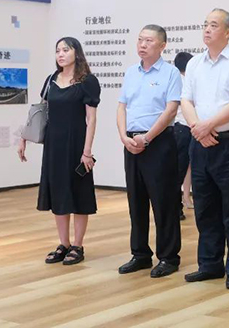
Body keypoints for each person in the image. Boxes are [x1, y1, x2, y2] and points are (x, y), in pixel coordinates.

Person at [181, 8, 229, 290]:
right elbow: (186, 100)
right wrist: (197, 128)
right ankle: (209, 264)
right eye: (205, 24)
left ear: (228, 32)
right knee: (205, 207)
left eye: (213, 25)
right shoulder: (194, 64)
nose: (207, 29)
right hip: (200, 142)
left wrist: (208, 125)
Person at [17, 37, 100, 266]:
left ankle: (78, 245)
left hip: (77, 144)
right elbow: (39, 111)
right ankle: (63, 244)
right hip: (54, 145)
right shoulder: (51, 79)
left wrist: (87, 151)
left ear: (76, 53)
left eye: (65, 50)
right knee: (59, 193)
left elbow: (91, 119)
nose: (60, 54)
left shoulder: (87, 81)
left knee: (79, 194)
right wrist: (24, 137)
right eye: (57, 51)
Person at [116, 25, 183, 278]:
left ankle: (168, 257)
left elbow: (171, 109)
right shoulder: (131, 72)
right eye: (140, 40)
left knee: (164, 201)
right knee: (136, 200)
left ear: (162, 46)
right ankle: (140, 254)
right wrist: (124, 137)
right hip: (131, 142)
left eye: (149, 41)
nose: (142, 45)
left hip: (159, 142)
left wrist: (147, 137)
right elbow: (122, 107)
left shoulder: (170, 73)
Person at [173, 51, 194, 220]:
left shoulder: (177, 80)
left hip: (179, 128)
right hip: (184, 128)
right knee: (179, 170)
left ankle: (177, 206)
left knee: (178, 170)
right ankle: (175, 208)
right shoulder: (186, 81)